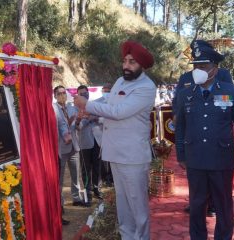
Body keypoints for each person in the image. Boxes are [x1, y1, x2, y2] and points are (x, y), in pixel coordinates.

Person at [74, 40, 156, 239]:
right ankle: (127, 236)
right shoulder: (120, 81)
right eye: (125, 61)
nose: (126, 66)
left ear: (141, 65)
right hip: (115, 152)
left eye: (132, 62)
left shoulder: (146, 87)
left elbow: (119, 112)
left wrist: (88, 105)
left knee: (137, 205)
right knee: (123, 203)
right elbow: (108, 103)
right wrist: (91, 113)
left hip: (133, 156)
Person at [175, 39, 234, 239]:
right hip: (195, 159)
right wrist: (181, 155)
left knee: (223, 207)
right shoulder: (185, 94)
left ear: (215, 68)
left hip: (221, 159)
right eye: (195, 66)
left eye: (203, 66)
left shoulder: (232, 92)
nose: (198, 70)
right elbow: (180, 127)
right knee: (196, 206)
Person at [53, 85, 85, 225]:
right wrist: (68, 123)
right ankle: (59, 206)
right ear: (55, 96)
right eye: (59, 94)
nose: (62, 96)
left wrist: (77, 121)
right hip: (61, 148)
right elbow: (56, 126)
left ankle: (77, 198)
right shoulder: (53, 109)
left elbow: (79, 126)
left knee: (75, 174)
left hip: (74, 146)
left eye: (63, 93)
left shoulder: (72, 107)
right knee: (59, 180)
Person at [75, 85, 102, 206]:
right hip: (85, 143)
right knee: (86, 170)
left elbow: (102, 118)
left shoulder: (93, 105)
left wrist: (96, 118)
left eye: (86, 94)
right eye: (81, 94)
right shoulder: (74, 108)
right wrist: (84, 120)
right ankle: (87, 196)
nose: (84, 96)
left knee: (97, 167)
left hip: (97, 141)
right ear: (77, 95)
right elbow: (77, 127)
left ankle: (97, 189)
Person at [92, 83, 113, 186]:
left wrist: (99, 119)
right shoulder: (96, 102)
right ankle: (104, 178)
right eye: (104, 89)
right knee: (102, 158)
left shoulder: (116, 102)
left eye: (108, 90)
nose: (106, 91)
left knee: (112, 158)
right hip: (100, 134)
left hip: (113, 135)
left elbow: (114, 117)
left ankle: (111, 178)